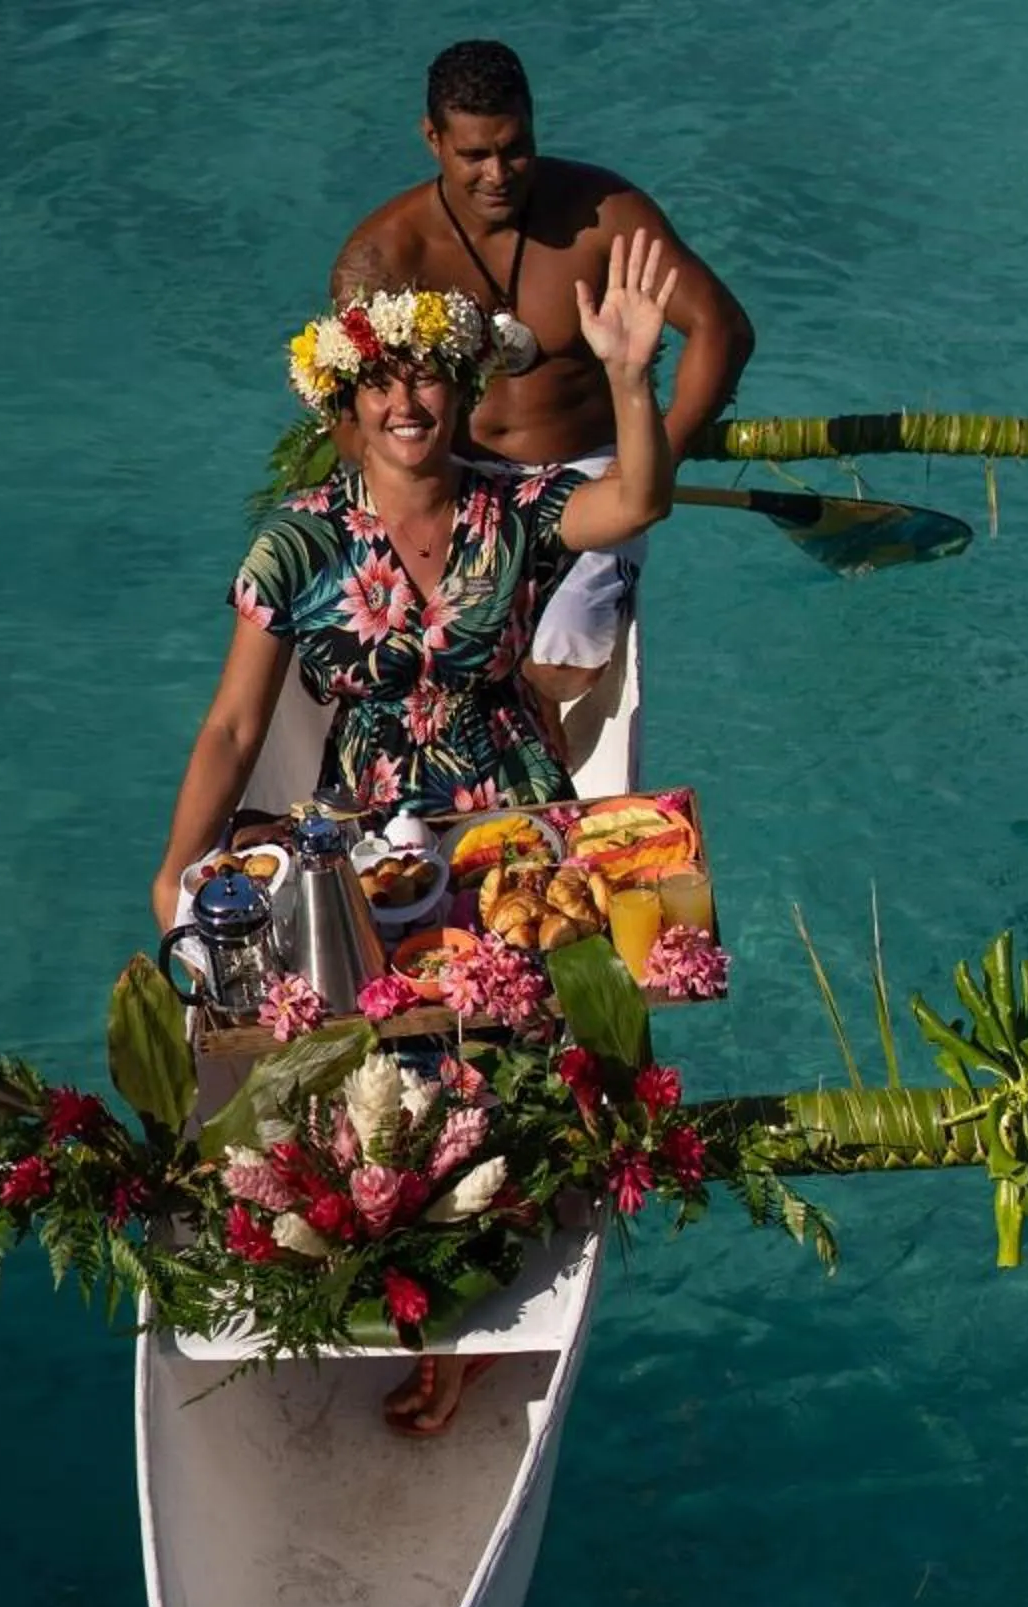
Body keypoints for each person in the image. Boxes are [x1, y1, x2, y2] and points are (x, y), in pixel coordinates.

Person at [148, 228, 684, 939]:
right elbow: (233, 726)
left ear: (463, 389)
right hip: (364, 854)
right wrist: (175, 869)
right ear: (349, 400)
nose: (404, 403)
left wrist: (628, 377)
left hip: (517, 835)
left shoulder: (518, 509)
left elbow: (638, 502)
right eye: (378, 382)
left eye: (426, 377)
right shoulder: (300, 541)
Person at [328, 39, 754, 681]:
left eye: (514, 148)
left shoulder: (604, 216)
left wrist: (657, 456)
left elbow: (721, 329)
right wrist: (409, 508)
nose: (498, 175)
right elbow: (348, 408)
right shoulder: (385, 255)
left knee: (557, 656)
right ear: (433, 139)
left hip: (588, 483)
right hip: (454, 485)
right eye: (474, 155)